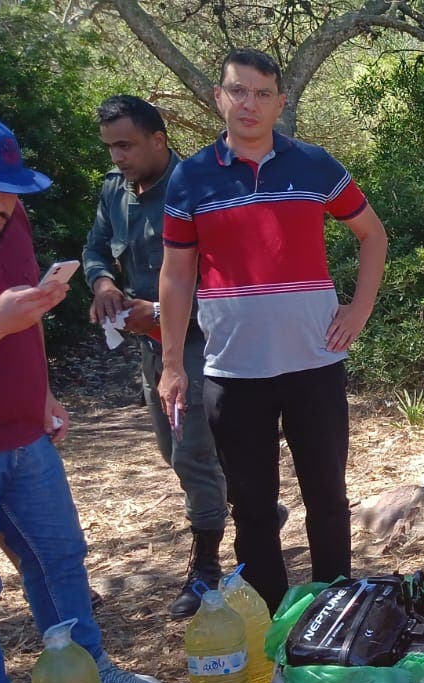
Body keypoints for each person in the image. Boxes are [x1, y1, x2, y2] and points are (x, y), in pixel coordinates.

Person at [156, 49, 389, 613]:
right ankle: (274, 621)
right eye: (238, 91)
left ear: (280, 103)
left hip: (314, 361)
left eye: (262, 93)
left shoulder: (313, 164)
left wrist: (358, 309)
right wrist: (169, 364)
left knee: (327, 498)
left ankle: (335, 608)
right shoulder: (190, 178)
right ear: (219, 97)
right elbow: (176, 271)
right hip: (234, 371)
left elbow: (372, 235)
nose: (249, 104)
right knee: (253, 506)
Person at [0, 114, 165, 683]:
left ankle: (88, 667)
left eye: (9, 190)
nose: (1, 204)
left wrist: (42, 389)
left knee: (59, 557)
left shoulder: (11, 221)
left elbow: (24, 313)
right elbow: (3, 319)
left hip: (24, 432)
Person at [83, 95, 231, 618]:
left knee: (192, 453)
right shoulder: (114, 195)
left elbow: (224, 276)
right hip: (149, 346)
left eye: (126, 145)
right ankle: (258, 510)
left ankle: (206, 569)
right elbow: (97, 247)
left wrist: (164, 312)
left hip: (199, 343)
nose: (118, 156)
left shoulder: (196, 188)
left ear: (158, 141)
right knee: (173, 451)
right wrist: (103, 283)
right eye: (111, 147)